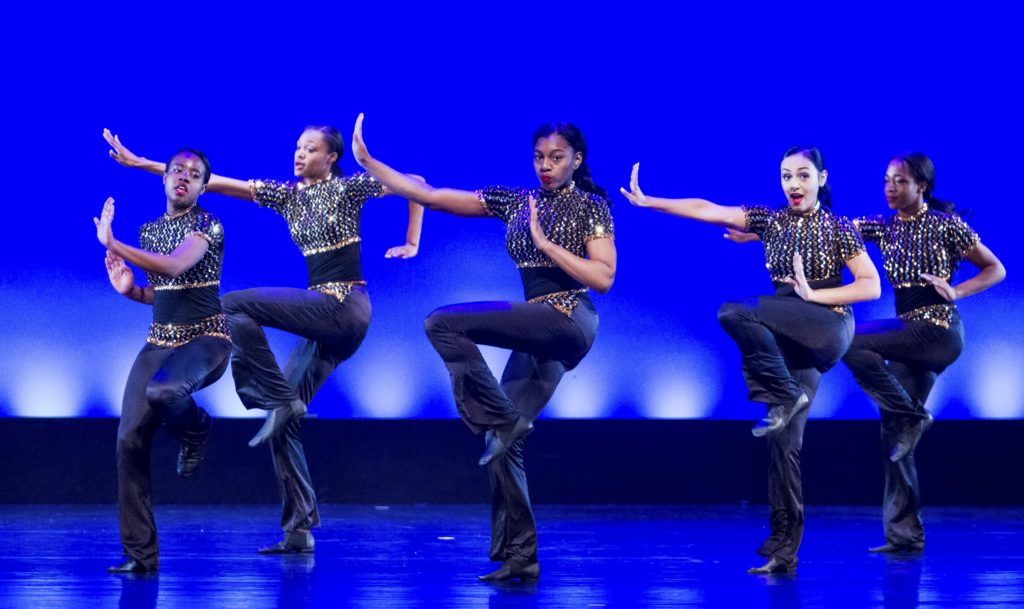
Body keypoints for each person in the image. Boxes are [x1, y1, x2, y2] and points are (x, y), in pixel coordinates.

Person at [104, 126, 421, 554]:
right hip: (321, 316)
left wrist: (412, 242)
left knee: (234, 304)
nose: (299, 153)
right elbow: (210, 180)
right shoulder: (286, 196)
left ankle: (272, 396)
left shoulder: (349, 190)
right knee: (280, 423)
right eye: (297, 146)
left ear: (331, 158)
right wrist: (144, 163)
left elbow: (416, 185)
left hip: (345, 307)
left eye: (310, 149)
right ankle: (298, 529)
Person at [350, 114, 616, 581]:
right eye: (539, 158)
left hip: (569, 318)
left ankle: (493, 413)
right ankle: (522, 557)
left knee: (443, 323)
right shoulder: (517, 200)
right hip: (540, 328)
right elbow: (430, 196)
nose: (546, 166)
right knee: (502, 441)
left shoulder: (590, 205)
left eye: (556, 158)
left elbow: (604, 277)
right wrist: (370, 162)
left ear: (578, 159)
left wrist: (545, 244)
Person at [621, 147, 881, 574]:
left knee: (733, 310)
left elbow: (870, 286)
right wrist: (651, 202)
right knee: (784, 444)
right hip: (787, 336)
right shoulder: (771, 221)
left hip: (827, 325)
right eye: (785, 176)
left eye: (802, 176)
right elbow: (708, 209)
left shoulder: (837, 227)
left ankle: (781, 392)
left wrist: (815, 296)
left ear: (821, 177)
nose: (793, 185)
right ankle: (784, 548)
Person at [843, 152, 1005, 553]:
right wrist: (759, 232)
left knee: (844, 336)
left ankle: (914, 416)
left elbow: (995, 269)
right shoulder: (883, 226)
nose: (890, 188)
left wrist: (958, 291)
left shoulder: (946, 225)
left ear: (922, 186)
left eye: (899, 181)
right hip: (908, 337)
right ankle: (905, 535)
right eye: (886, 180)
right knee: (894, 436)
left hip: (937, 331)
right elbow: (826, 229)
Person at [97, 149, 230, 573]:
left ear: (204, 187)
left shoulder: (208, 224)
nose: (184, 178)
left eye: (195, 175)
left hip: (206, 340)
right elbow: (164, 292)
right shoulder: (150, 231)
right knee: (128, 441)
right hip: (159, 342)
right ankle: (140, 554)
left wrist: (114, 243)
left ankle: (198, 429)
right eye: (178, 171)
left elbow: (175, 268)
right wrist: (131, 292)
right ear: (165, 179)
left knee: (166, 390)